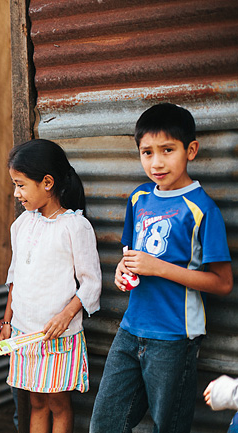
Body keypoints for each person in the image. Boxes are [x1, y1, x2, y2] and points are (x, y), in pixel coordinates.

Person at [90, 103, 233, 432]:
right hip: (130, 330)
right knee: (105, 424)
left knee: (169, 426)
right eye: (146, 152)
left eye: (167, 150)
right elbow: (129, 256)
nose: (156, 162)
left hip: (174, 336)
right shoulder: (139, 197)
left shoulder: (201, 209)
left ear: (191, 150)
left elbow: (223, 283)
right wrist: (122, 274)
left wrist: (158, 267)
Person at [0, 139, 102, 433]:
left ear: (47, 182)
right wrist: (8, 320)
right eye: (15, 185)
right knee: (36, 403)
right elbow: (15, 276)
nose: (17, 193)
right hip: (25, 332)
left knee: (58, 404)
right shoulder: (21, 225)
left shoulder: (74, 227)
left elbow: (91, 282)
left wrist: (65, 316)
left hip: (57, 335)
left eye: (21, 185)